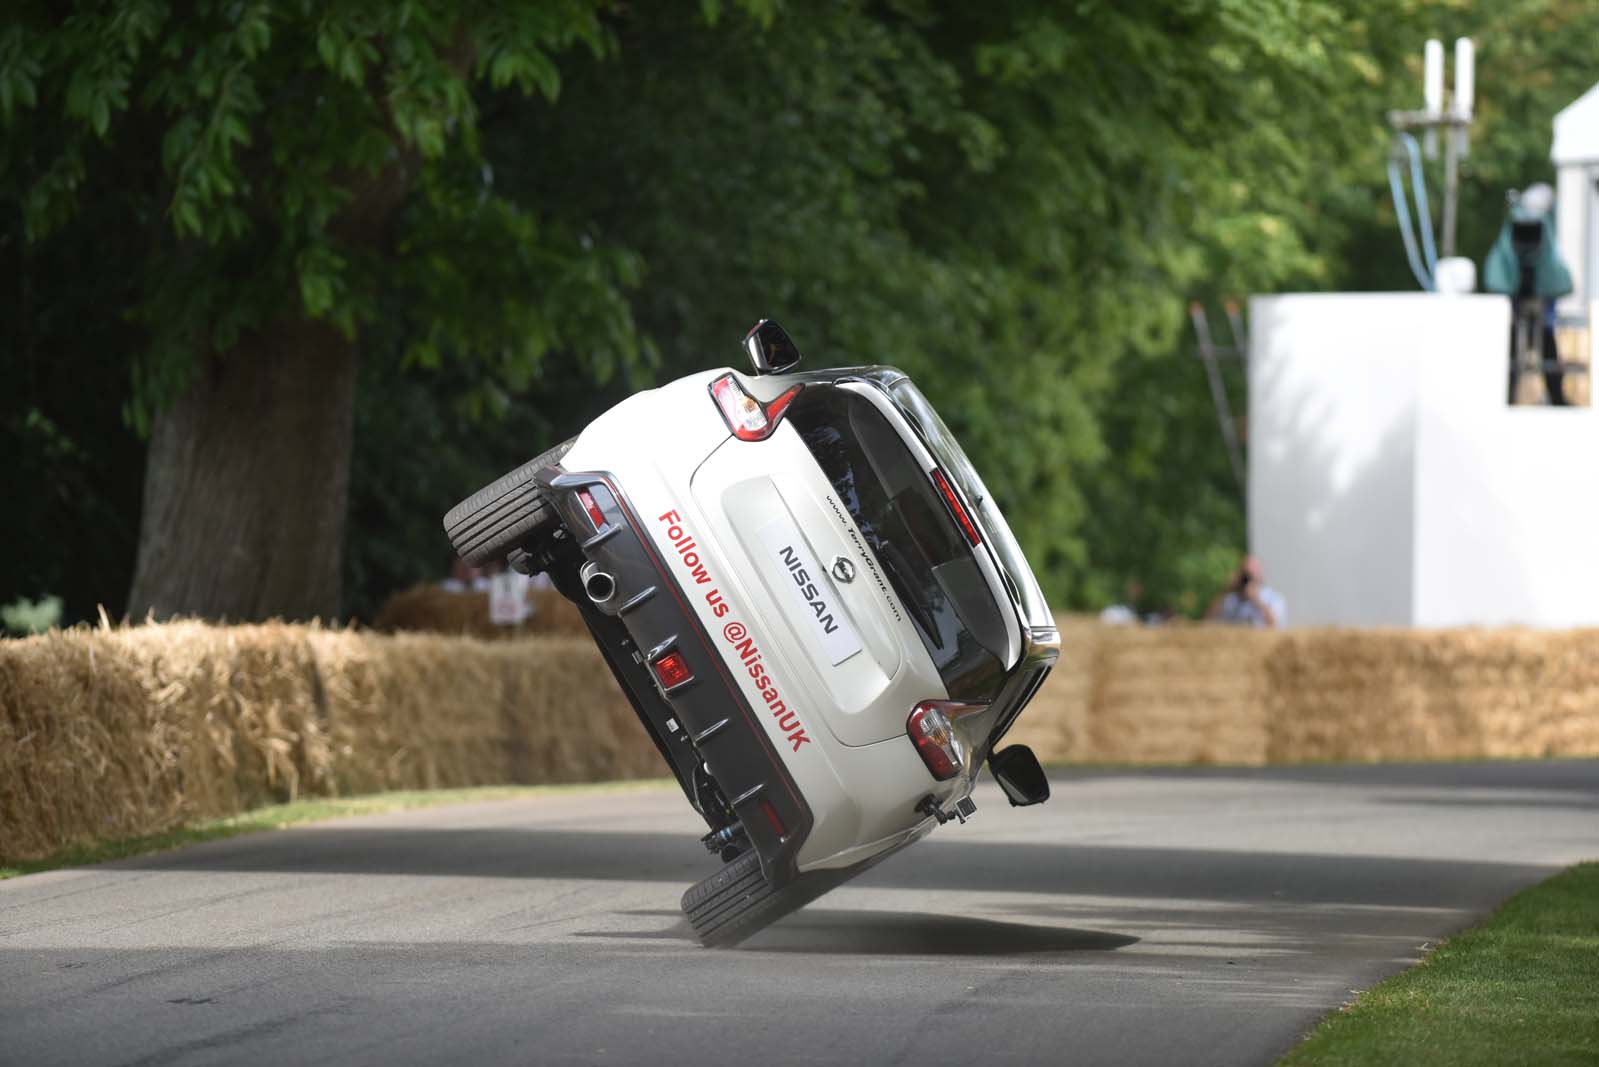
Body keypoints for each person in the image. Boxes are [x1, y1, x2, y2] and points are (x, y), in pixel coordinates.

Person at [1482, 182, 1574, 406]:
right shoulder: (1531, 226)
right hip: (1521, 298)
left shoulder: (1530, 225)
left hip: (1535, 298)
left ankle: (1551, 397)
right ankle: (1510, 397)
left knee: (1541, 348)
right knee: (1517, 349)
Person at [1206, 555, 1285, 628]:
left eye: (1251, 574)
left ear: (1260, 573)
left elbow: (1274, 624)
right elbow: (1208, 620)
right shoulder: (1231, 599)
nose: (1248, 579)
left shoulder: (1272, 598)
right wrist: (1226, 590)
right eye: (1245, 574)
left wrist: (1256, 599)